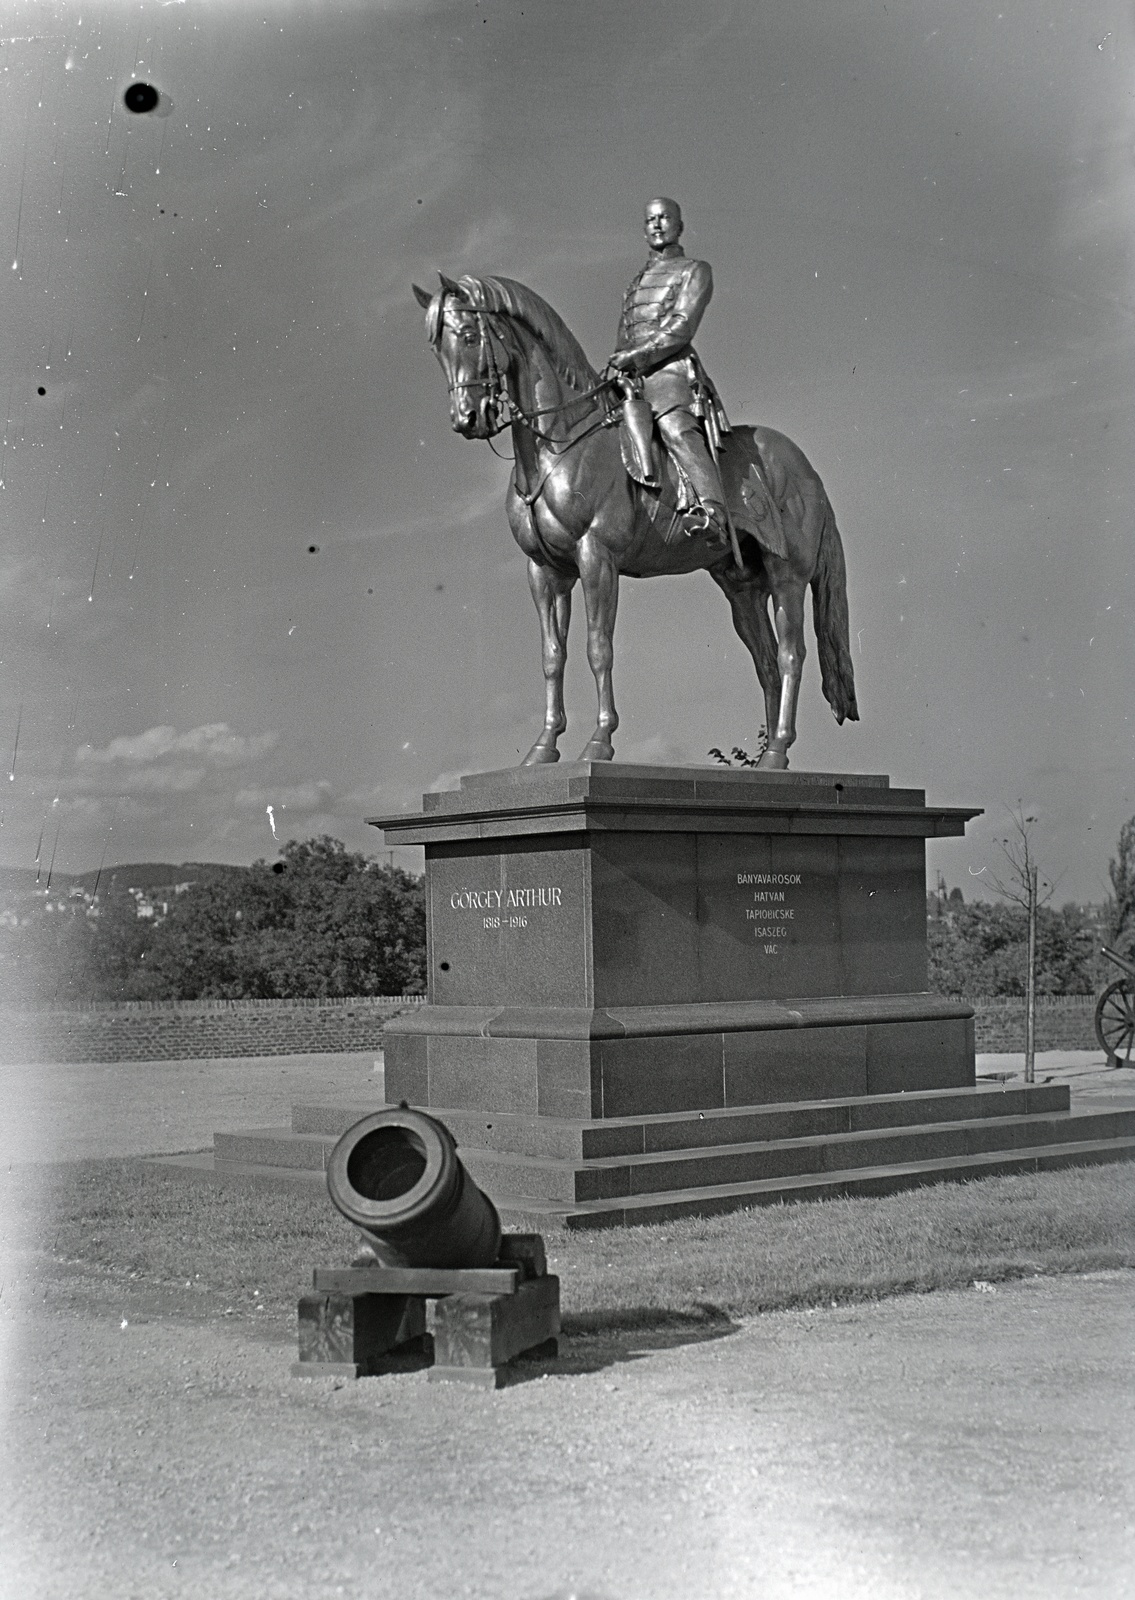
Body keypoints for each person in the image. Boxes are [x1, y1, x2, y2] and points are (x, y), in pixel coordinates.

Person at [609, 197, 730, 543]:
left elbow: (681, 325)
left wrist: (638, 357)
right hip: (633, 377)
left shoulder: (695, 270)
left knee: (673, 425)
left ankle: (713, 511)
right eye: (650, 220)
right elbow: (624, 338)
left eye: (665, 218)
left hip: (670, 372)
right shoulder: (634, 285)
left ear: (679, 226)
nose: (657, 225)